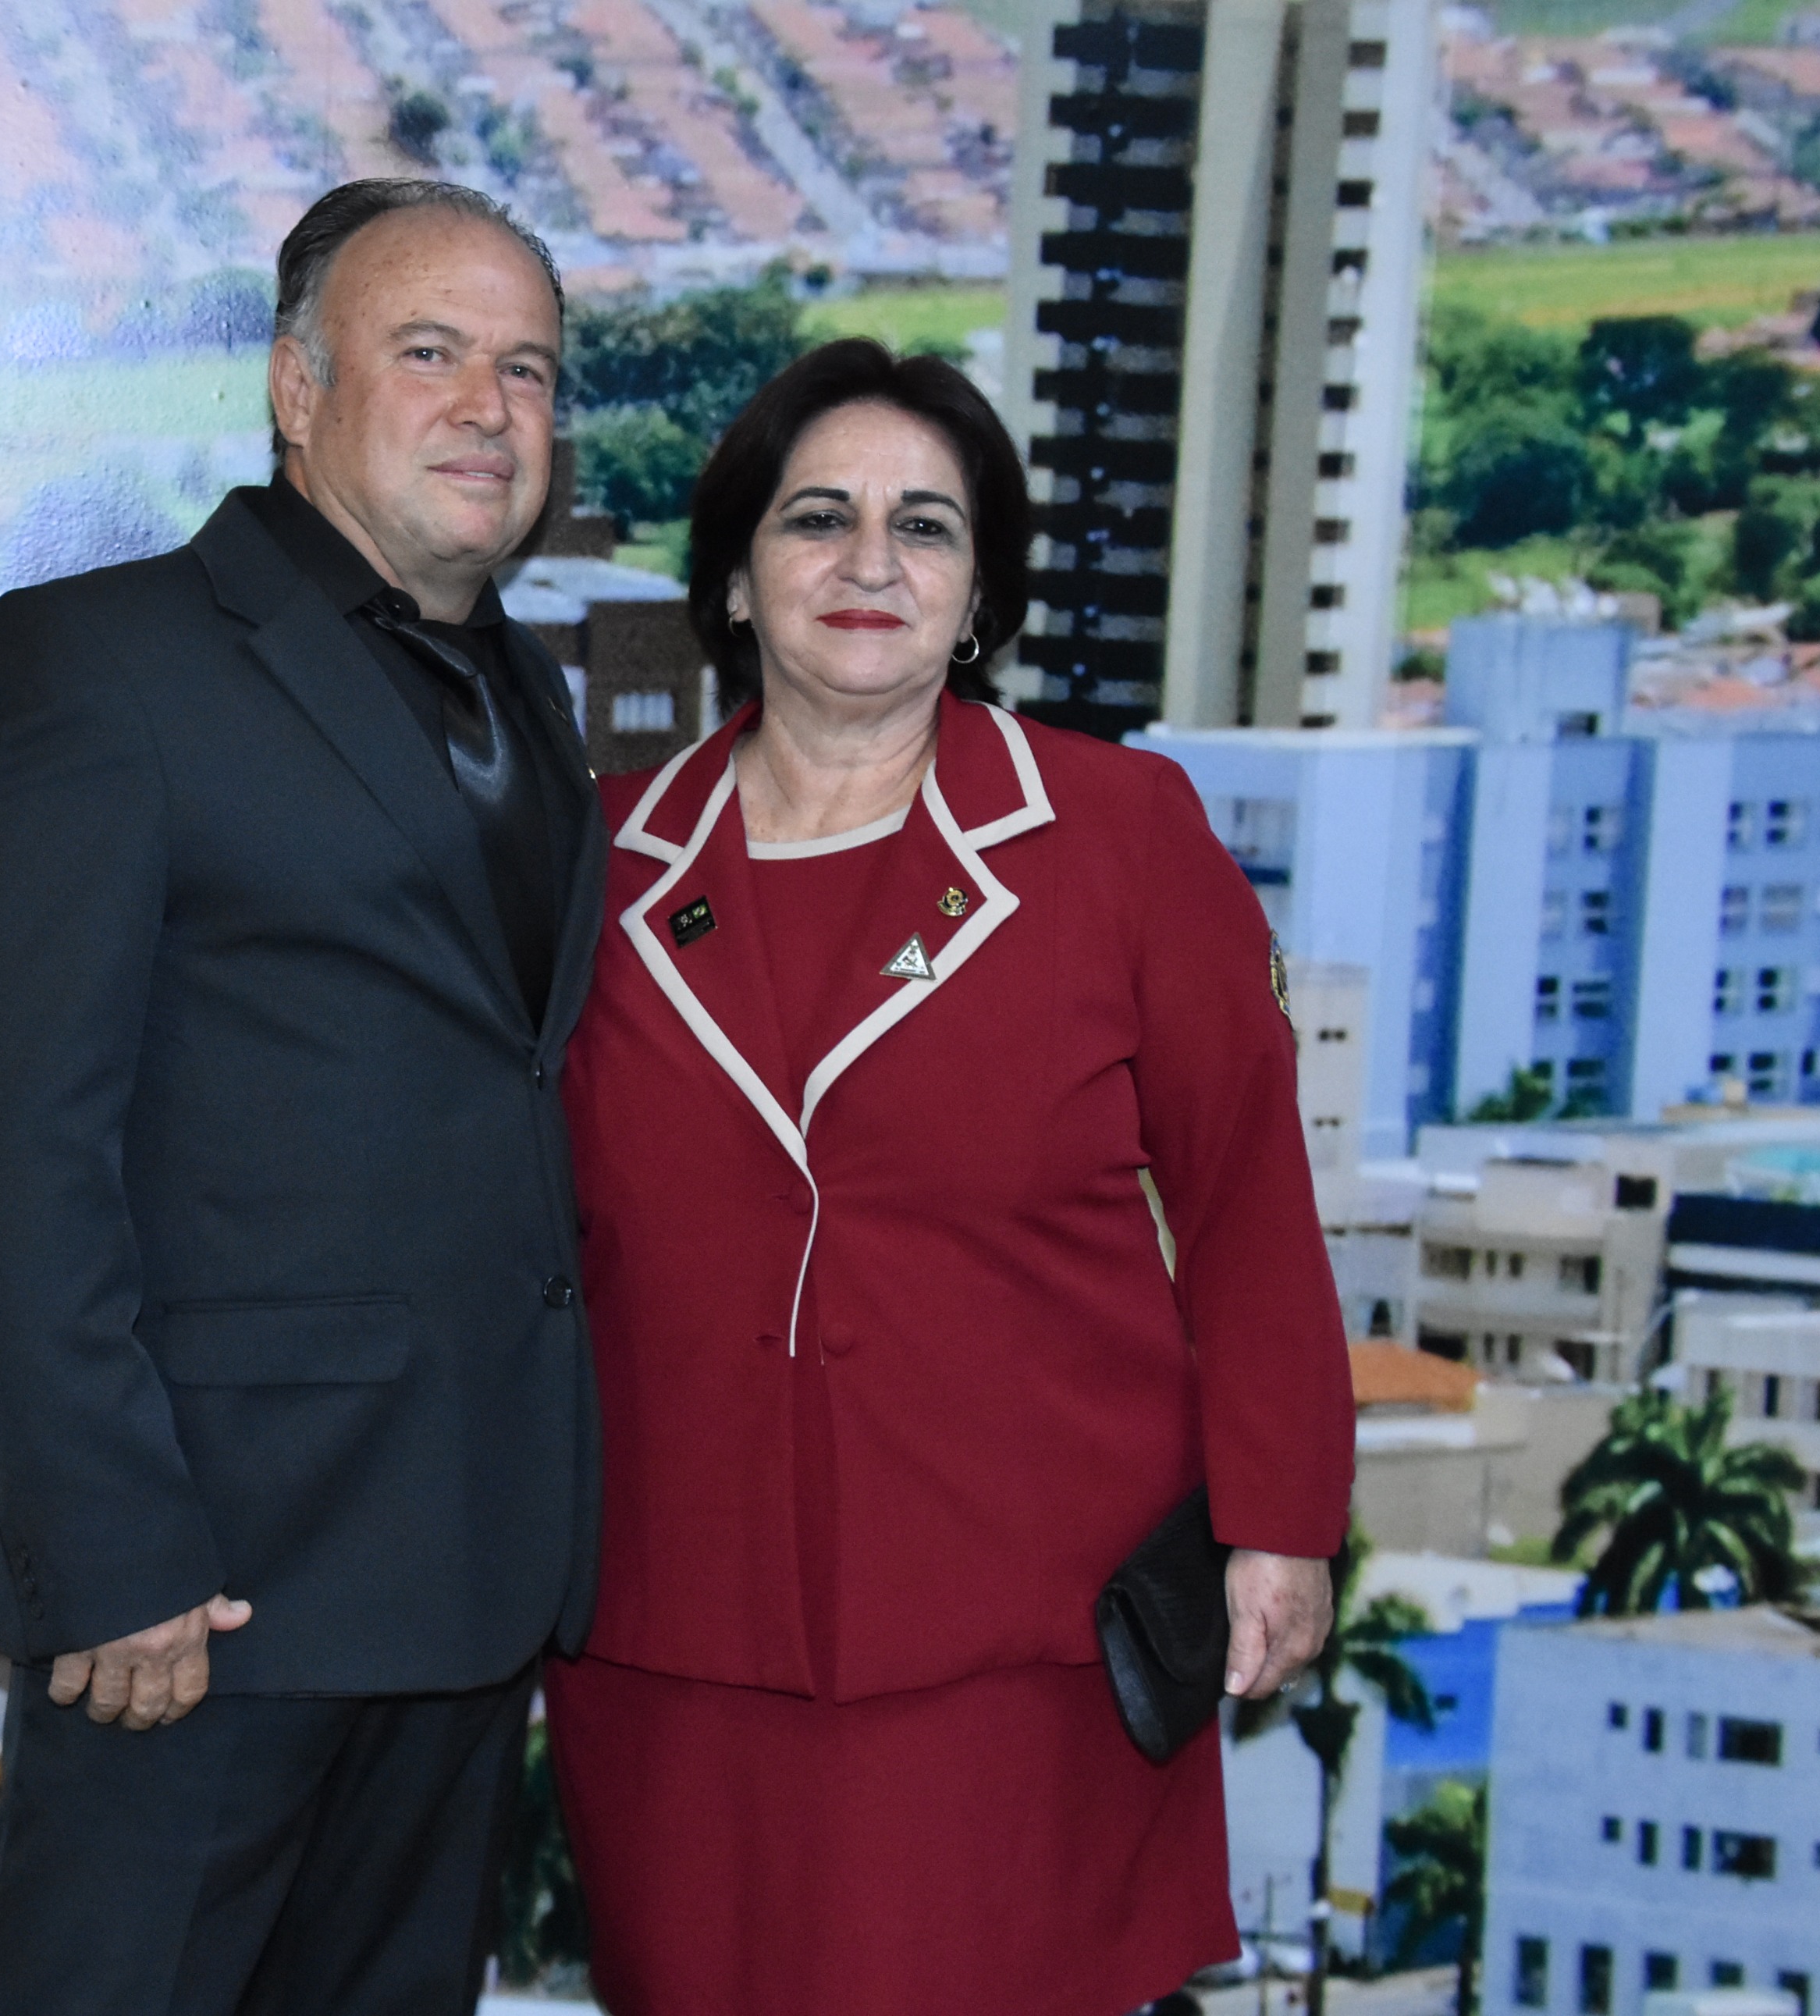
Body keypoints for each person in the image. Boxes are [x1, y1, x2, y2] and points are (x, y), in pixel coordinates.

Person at [542, 338, 1357, 2016]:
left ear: (979, 594)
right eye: (816, 518)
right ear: (734, 577)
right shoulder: (594, 863)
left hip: (1021, 1632)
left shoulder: (1120, 835)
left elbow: (1248, 1206)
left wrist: (1281, 1521)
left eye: (924, 526)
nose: (869, 562)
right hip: (673, 1629)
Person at [0, 179, 606, 2016]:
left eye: (528, 369)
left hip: (463, 1587)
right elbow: (10, 1149)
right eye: (430, 352)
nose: (489, 407)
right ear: (298, 387)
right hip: (198, 1599)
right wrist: (109, 1545)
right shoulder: (95, 661)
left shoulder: (533, 697)